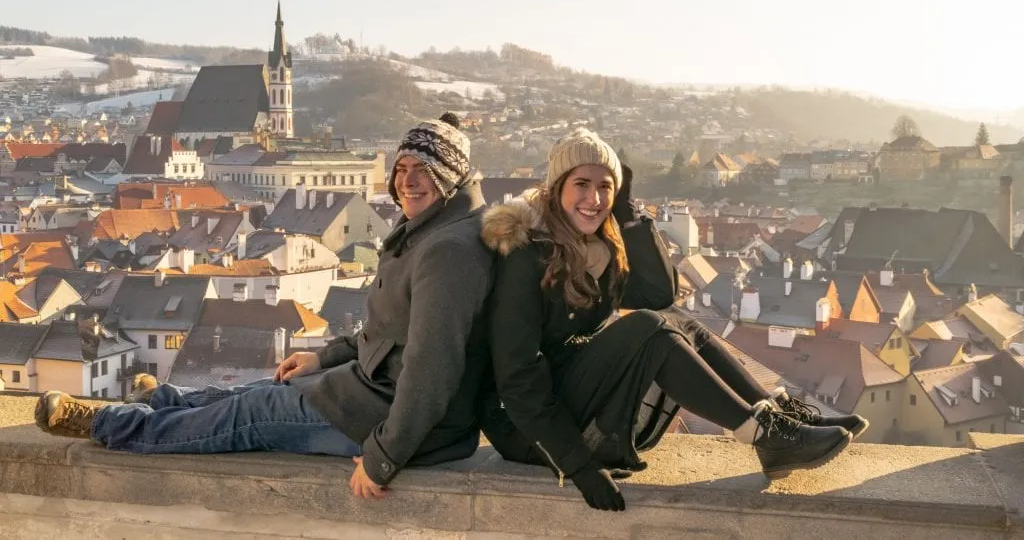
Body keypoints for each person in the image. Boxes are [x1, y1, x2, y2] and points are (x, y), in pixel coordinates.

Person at [35, 113, 496, 498]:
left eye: (424, 169)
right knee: (256, 393)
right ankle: (158, 401)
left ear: (450, 176)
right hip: (372, 395)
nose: (408, 180)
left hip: (392, 422)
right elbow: (391, 331)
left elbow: (432, 368)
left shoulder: (447, 251)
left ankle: (109, 424)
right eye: (401, 168)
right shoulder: (434, 231)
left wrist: (384, 458)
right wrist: (322, 356)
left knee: (247, 417)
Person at [478, 128, 867, 512]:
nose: (594, 199)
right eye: (581, 183)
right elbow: (517, 379)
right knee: (649, 328)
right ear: (556, 187)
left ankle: (778, 422)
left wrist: (629, 216)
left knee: (682, 322)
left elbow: (659, 296)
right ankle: (759, 434)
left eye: (606, 187)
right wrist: (577, 465)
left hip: (568, 392)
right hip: (528, 428)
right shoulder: (525, 256)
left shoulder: (591, 249)